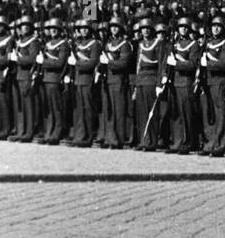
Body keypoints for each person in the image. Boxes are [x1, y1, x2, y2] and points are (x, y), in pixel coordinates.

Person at [131, 18, 168, 150]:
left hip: (152, 81)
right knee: (141, 113)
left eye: (148, 28)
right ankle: (143, 139)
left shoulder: (158, 43)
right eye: (143, 28)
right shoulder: (140, 44)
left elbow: (162, 64)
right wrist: (136, 84)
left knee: (151, 113)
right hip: (141, 80)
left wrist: (159, 83)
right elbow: (138, 65)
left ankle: (151, 142)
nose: (145, 31)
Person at [167, 17, 201, 154]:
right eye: (181, 27)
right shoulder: (174, 44)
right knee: (175, 115)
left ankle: (187, 143)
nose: (183, 29)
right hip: (174, 81)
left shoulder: (193, 45)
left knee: (186, 114)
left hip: (185, 82)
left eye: (186, 27)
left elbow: (193, 64)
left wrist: (177, 64)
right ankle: (176, 142)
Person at [67, 18, 101, 147]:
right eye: (82, 29)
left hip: (87, 80)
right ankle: (79, 135)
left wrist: (76, 63)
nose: (84, 31)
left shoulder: (94, 44)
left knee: (88, 109)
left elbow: (91, 63)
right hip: (78, 80)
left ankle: (88, 137)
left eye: (86, 29)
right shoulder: (78, 44)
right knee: (79, 110)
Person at [40, 18, 73, 145]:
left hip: (55, 79)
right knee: (49, 109)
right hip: (47, 78)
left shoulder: (63, 44)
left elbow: (60, 63)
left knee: (56, 108)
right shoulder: (48, 44)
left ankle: (57, 132)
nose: (53, 31)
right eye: (51, 29)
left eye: (56, 29)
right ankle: (49, 132)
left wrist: (44, 62)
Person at [101, 16, 133, 149]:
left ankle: (118, 139)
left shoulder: (124, 44)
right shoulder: (107, 44)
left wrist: (108, 62)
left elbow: (123, 64)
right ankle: (109, 138)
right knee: (108, 110)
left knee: (119, 110)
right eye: (112, 27)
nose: (114, 29)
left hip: (118, 80)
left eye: (116, 27)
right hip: (108, 79)